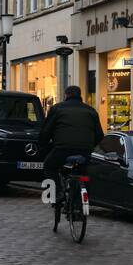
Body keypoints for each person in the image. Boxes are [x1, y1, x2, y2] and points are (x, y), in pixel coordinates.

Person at [39, 85, 104, 231]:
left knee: (49, 166)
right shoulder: (91, 110)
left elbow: (46, 131)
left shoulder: (57, 109)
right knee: (83, 174)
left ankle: (57, 194)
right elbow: (100, 135)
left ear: (66, 95)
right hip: (84, 151)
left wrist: (43, 145)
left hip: (62, 149)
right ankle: (80, 203)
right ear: (80, 96)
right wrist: (89, 147)